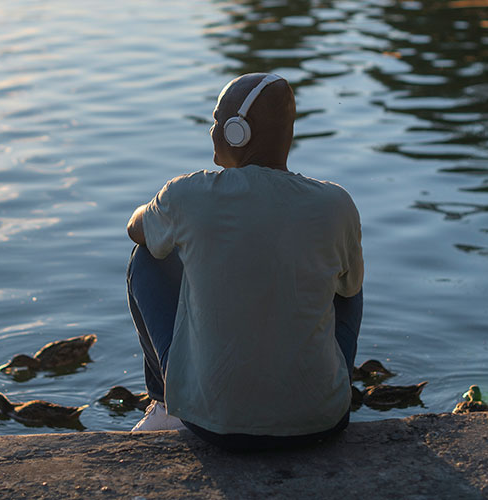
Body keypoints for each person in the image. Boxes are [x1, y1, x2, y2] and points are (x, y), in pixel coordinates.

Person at [126, 73, 363, 451]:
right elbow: (347, 291)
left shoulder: (187, 195)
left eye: (218, 120)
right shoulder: (335, 204)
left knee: (147, 259)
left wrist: (158, 211)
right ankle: (321, 386)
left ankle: (165, 403)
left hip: (211, 424)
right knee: (348, 284)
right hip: (320, 422)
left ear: (237, 132)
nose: (212, 130)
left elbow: (135, 229)